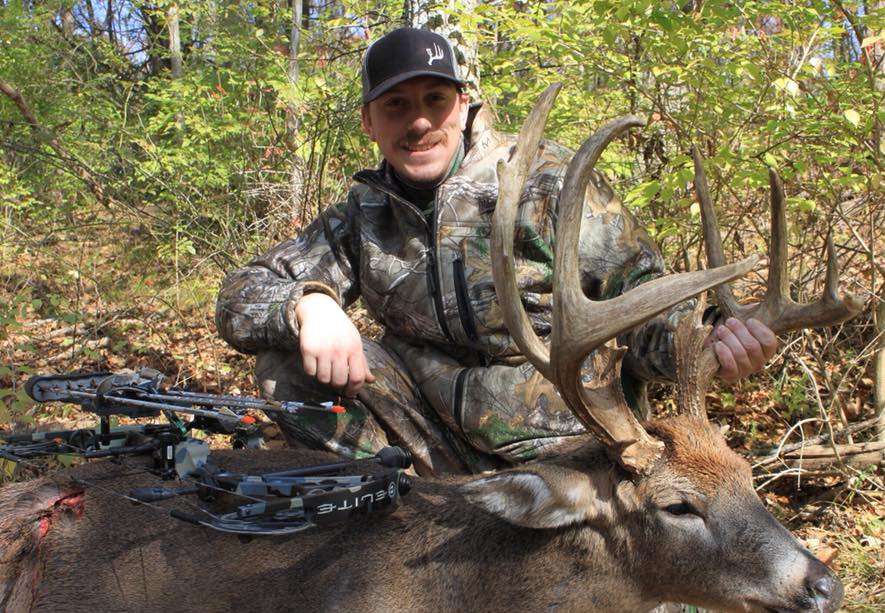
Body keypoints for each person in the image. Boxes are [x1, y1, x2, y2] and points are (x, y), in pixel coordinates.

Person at [215, 27, 776, 478]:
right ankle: (386, 531)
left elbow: (645, 298)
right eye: (395, 106)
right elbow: (240, 296)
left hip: (577, 450)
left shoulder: (546, 180)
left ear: (462, 105)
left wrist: (707, 339)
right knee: (287, 359)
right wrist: (308, 306)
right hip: (431, 449)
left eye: (435, 100)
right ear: (368, 121)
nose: (417, 122)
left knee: (637, 608)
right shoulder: (363, 214)